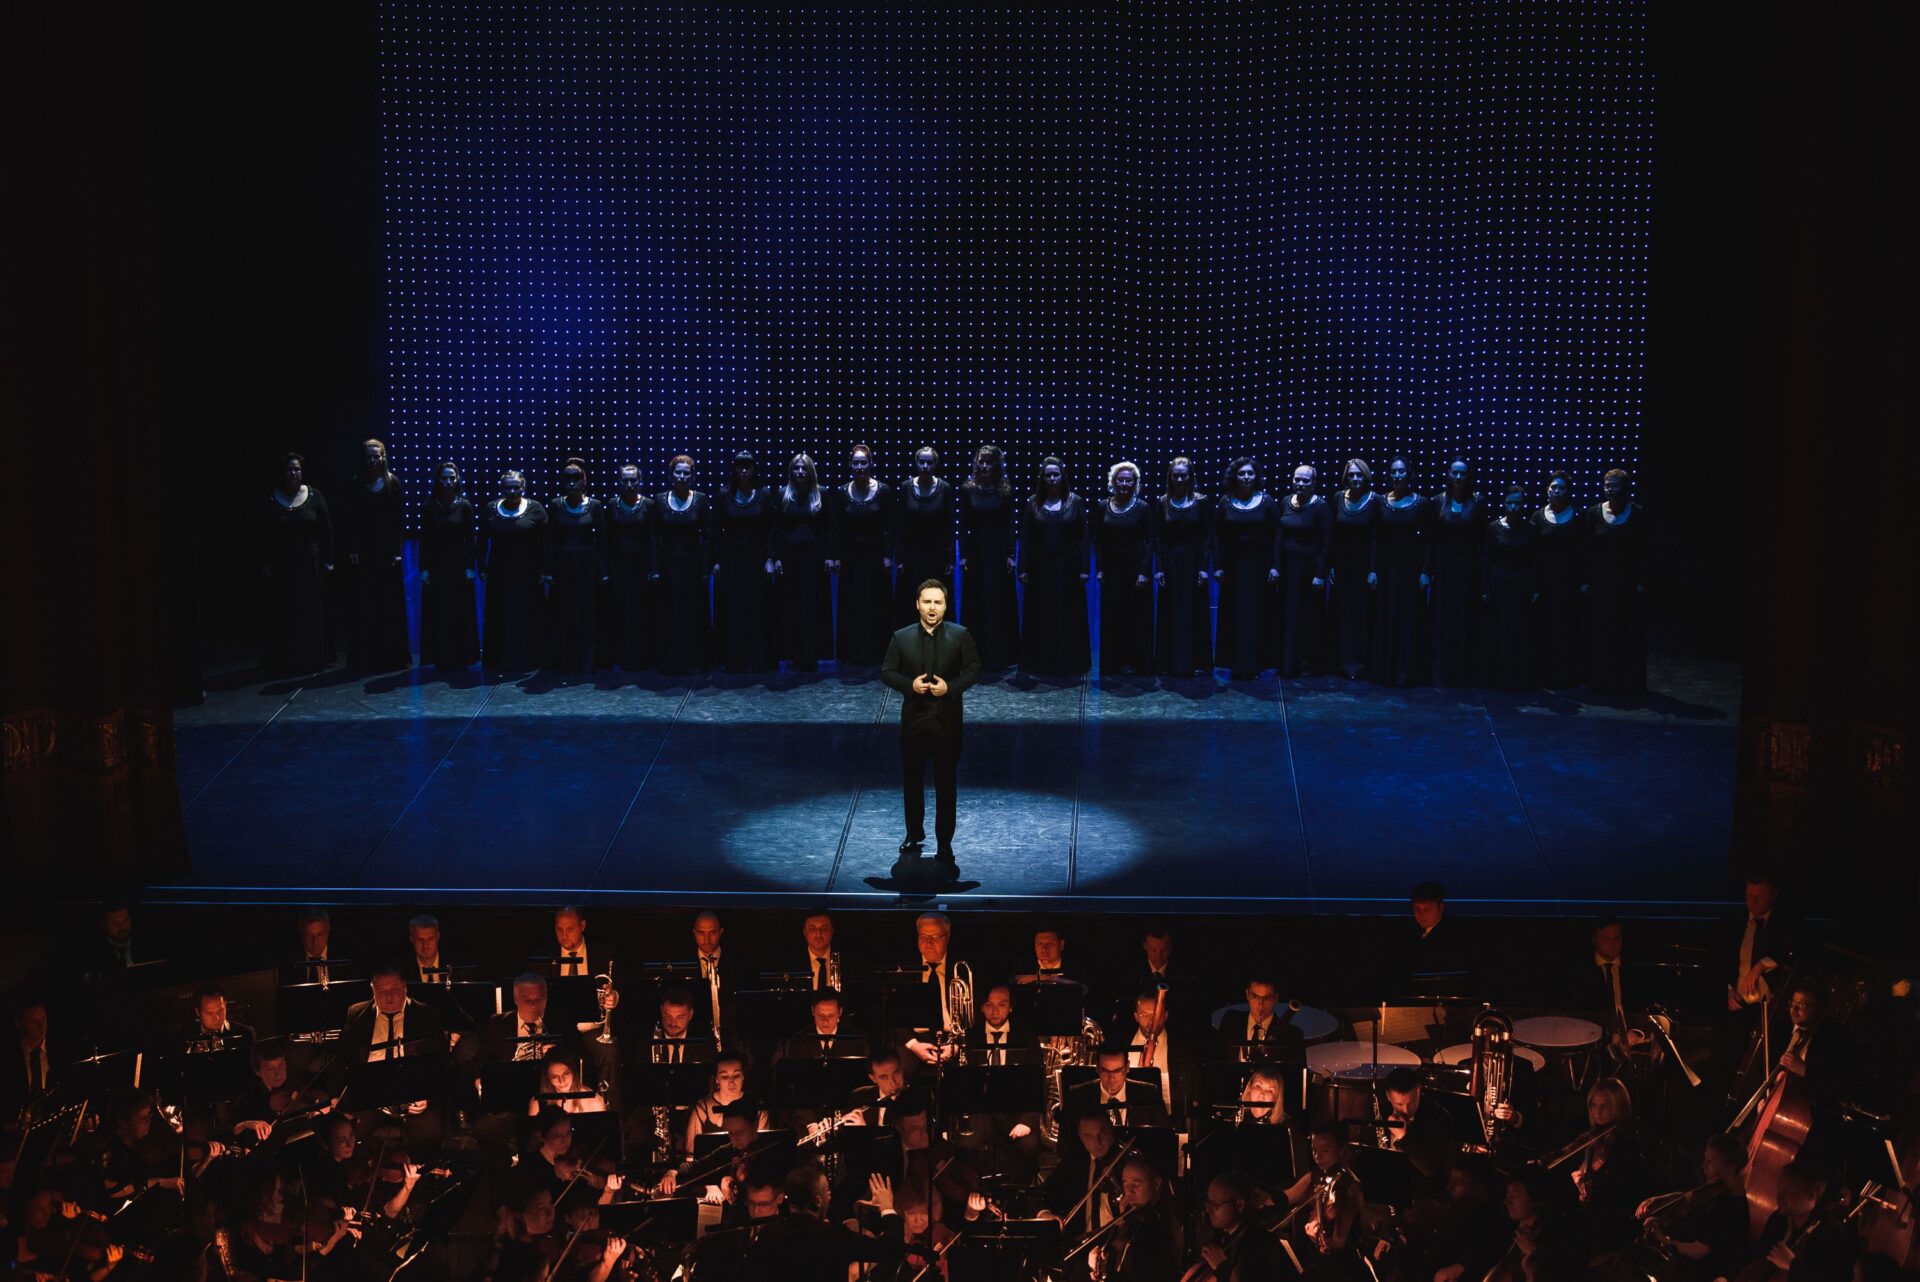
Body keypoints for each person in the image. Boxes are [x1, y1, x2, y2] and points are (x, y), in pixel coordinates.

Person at [880, 580, 982, 880]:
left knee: (946, 785)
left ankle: (944, 843)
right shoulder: (901, 637)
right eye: (927, 602)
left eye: (938, 602)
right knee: (912, 781)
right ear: (917, 604)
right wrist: (909, 685)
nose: (932, 608)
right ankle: (914, 834)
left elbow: (974, 669)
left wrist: (950, 687)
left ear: (945, 605)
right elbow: (887, 672)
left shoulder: (960, 635)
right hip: (914, 721)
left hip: (946, 721)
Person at [260, 451, 334, 676]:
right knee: (286, 612)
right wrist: (266, 562)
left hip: (309, 563)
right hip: (284, 565)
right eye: (289, 469)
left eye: (297, 469)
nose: (293, 473)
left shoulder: (314, 495)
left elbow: (326, 529)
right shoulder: (273, 499)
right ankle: (287, 661)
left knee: (310, 612)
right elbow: (264, 535)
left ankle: (313, 659)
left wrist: (328, 559)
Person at [1017, 456, 1091, 674]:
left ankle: (1068, 662)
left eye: (1055, 474)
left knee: (1067, 614)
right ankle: (1041, 661)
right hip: (1040, 570)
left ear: (1062, 477)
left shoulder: (1075, 502)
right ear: (1042, 477)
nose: (1051, 478)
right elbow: (1026, 537)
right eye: (1048, 475)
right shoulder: (1033, 502)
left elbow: (1084, 537)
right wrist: (1022, 567)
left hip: (1068, 570)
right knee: (1041, 614)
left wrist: (1085, 568)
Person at [343, 438, 412, 672]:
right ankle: (367, 656)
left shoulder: (392, 483)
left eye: (376, 456)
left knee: (389, 603)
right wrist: (352, 548)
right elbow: (351, 519)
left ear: (383, 457)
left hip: (386, 551)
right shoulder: (356, 484)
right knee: (365, 603)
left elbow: (398, 520)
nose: (372, 460)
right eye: (368, 457)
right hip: (364, 550)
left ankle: (392, 656)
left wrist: (397, 551)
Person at [1584, 467, 1649, 694]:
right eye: (1607, 486)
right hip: (1601, 582)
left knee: (1627, 630)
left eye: (1615, 486)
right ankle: (1602, 679)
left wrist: (1641, 581)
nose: (1610, 490)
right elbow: (1587, 548)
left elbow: (1644, 550)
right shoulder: (1594, 513)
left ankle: (1627, 681)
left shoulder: (1638, 513)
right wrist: (1586, 579)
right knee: (1602, 630)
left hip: (1627, 582)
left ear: (1625, 488)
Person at [768, 452, 834, 671]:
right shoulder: (783, 494)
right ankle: (794, 655)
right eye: (796, 468)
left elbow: (829, 528)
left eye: (804, 468)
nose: (800, 472)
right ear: (791, 471)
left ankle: (811, 655)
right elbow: (775, 529)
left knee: (812, 605)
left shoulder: (821, 494)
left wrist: (829, 555)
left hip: (814, 559)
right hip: (789, 559)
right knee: (791, 606)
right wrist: (775, 558)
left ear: (810, 471)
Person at [958, 443, 1020, 670]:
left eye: (989, 462)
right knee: (976, 600)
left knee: (997, 601)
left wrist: (1011, 554)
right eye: (981, 462)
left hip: (997, 552)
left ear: (996, 465)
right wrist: (963, 554)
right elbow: (963, 524)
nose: (984, 466)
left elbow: (1010, 525)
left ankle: (999, 654)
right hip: (976, 552)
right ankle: (975, 654)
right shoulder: (968, 489)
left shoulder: (1004, 491)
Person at [1214, 457, 1276, 680]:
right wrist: (1218, 566)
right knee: (1235, 615)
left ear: (1256, 476)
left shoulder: (1267, 501)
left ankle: (1255, 664)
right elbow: (1217, 536)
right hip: (1232, 568)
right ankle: (1236, 664)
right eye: (1242, 473)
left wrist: (1275, 566)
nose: (1246, 477)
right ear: (1235, 476)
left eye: (1250, 473)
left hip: (1259, 568)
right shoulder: (1225, 501)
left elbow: (1276, 534)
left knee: (1257, 614)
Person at [832, 444, 894, 665]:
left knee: (874, 603)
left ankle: (876, 651)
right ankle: (852, 653)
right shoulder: (841, 492)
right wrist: (836, 556)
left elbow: (891, 525)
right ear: (850, 465)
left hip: (875, 556)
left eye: (863, 462)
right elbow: (837, 527)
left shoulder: (883, 491)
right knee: (852, 603)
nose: (859, 467)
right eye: (856, 463)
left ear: (870, 464)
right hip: (851, 557)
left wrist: (888, 555)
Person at [479, 470, 547, 672]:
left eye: (516, 487)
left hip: (528, 573)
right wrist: (482, 566)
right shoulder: (491, 508)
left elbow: (547, 542)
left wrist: (544, 569)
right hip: (500, 573)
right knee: (501, 615)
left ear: (523, 487)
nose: (512, 491)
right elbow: (481, 540)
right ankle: (501, 660)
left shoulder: (535, 508)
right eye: (508, 487)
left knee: (526, 615)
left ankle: (529, 659)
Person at [712, 451, 773, 673]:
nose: (744, 471)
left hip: (757, 559)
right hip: (731, 560)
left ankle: (757, 660)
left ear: (755, 469)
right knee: (734, 608)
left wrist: (770, 557)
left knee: (757, 608)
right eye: (740, 466)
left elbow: (771, 529)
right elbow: (715, 530)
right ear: (734, 470)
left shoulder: (764, 495)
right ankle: (734, 659)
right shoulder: (724, 495)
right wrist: (716, 560)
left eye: (748, 466)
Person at [1092, 461, 1154, 675]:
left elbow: (1149, 541)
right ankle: (1112, 662)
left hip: (1135, 571)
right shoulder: (1103, 506)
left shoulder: (1143, 508)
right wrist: (1100, 568)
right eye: (1121, 479)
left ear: (1135, 482)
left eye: (1129, 480)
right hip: (1111, 570)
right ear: (1113, 481)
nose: (1124, 484)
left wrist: (1144, 572)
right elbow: (1098, 539)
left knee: (1134, 616)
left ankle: (1134, 661)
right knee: (1112, 615)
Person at [1154, 456, 1214, 677]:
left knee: (1193, 610)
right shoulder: (1163, 502)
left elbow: (1208, 535)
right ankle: (1168, 662)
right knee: (1170, 610)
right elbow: (1159, 537)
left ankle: (1195, 662)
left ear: (1190, 477)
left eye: (1183, 475)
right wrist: (1159, 568)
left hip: (1193, 562)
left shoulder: (1202, 501)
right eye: (1176, 475)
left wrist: (1204, 567)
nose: (1179, 479)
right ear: (1170, 477)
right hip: (1170, 563)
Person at [1372, 457, 1430, 686]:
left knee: (1408, 619)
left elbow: (1428, 540)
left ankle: (1405, 672)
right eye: (1393, 471)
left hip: (1410, 569)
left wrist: (1425, 571)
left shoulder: (1421, 503)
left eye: (1401, 471)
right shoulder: (1381, 501)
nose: (1397, 476)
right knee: (1386, 616)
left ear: (1409, 474)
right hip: (1386, 568)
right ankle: (1385, 670)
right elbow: (1376, 538)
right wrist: (1372, 569)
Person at [652, 454, 710, 674]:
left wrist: (706, 567)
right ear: (671, 475)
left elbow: (708, 536)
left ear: (692, 476)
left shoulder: (701, 499)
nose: (682, 476)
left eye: (686, 473)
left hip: (693, 565)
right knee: (670, 610)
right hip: (668, 565)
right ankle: (670, 658)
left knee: (692, 610)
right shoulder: (660, 500)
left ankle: (693, 658)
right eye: (678, 472)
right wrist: (655, 567)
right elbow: (654, 536)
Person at [418, 461, 479, 671]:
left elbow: (470, 538)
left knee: (459, 610)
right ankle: (441, 655)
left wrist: (470, 566)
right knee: (439, 610)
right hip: (437, 565)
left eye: (452, 478)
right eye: (444, 478)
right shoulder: (429, 506)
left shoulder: (464, 505)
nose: (448, 481)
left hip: (459, 565)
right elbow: (425, 539)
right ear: (438, 480)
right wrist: (424, 568)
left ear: (457, 479)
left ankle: (462, 655)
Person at [546, 458, 604, 673]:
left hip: (587, 568)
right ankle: (565, 659)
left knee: (587, 612)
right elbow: (550, 540)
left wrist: (603, 570)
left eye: (576, 478)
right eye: (567, 479)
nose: (572, 483)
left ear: (584, 481)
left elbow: (603, 541)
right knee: (564, 611)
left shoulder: (594, 505)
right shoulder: (555, 505)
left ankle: (587, 660)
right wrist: (548, 570)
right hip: (563, 567)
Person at [1275, 463, 1331, 678]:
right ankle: (1287, 662)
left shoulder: (1321, 507)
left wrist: (1320, 574)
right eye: (1297, 479)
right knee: (1288, 615)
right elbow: (1279, 535)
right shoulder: (1286, 502)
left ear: (1313, 483)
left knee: (1307, 617)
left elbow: (1326, 542)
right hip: (1288, 569)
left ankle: (1306, 664)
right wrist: (1276, 566)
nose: (1300, 483)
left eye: (1305, 480)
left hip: (1309, 571)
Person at [1430, 459, 1483, 686]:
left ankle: (1462, 671)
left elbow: (1482, 539)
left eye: (1462, 473)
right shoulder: (1438, 501)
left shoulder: (1477, 501)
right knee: (1443, 619)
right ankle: (1442, 670)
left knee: (1464, 618)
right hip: (1444, 569)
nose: (1458, 477)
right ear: (1449, 474)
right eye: (1455, 473)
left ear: (1468, 476)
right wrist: (1428, 570)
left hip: (1467, 569)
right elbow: (1432, 539)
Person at [1481, 485, 1538, 690]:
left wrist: (1534, 587)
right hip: (1499, 584)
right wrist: (1485, 588)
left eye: (1517, 503)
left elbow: (1534, 560)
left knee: (1519, 631)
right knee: (1500, 629)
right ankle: (1498, 676)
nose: (1513, 507)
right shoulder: (1494, 527)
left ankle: (1518, 676)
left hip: (1521, 585)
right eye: (1510, 503)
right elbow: (1487, 559)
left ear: (1523, 505)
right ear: (1504, 504)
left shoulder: (1531, 528)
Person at [893, 447, 956, 626]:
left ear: (935, 464)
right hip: (912, 555)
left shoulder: (945, 488)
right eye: (922, 462)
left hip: (937, 555)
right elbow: (900, 525)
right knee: (912, 598)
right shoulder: (906, 487)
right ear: (916, 463)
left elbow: (950, 525)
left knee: (935, 596)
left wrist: (950, 558)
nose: (925, 466)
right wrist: (900, 558)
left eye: (929, 462)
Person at [1328, 458, 1378, 680]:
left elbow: (1376, 537)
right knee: (1343, 613)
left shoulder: (1375, 500)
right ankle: (1342, 662)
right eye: (1351, 475)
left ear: (1366, 477)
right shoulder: (1338, 498)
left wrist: (1373, 569)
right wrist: (1331, 565)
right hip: (1342, 565)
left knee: (1362, 614)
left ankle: (1361, 663)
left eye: (1359, 475)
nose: (1355, 479)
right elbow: (1333, 535)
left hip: (1364, 566)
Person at [1533, 471, 1583, 687]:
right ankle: (1543, 673)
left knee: (1566, 628)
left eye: (1561, 487)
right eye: (1553, 487)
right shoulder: (1538, 517)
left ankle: (1565, 673)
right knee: (1544, 626)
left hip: (1568, 582)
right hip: (1544, 581)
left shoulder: (1577, 518)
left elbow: (1583, 551)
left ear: (1568, 491)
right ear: (1547, 490)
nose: (1557, 491)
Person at [605, 464, 655, 672]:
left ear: (640, 481)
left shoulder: (648, 504)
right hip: (619, 566)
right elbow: (607, 538)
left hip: (641, 567)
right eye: (625, 480)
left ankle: (642, 657)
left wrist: (654, 567)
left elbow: (653, 537)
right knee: (620, 611)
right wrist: (606, 569)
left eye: (633, 480)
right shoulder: (612, 504)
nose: (629, 484)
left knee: (641, 611)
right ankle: (621, 656)